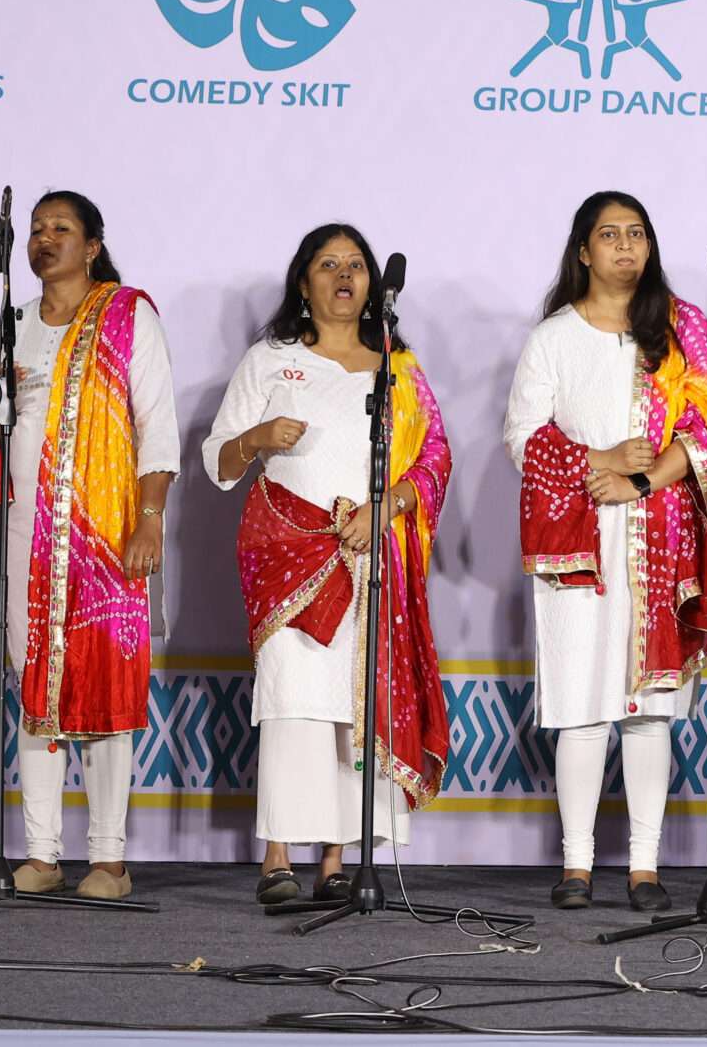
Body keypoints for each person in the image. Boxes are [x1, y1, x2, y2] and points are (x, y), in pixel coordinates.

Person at [505, 190, 707, 912]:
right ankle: (577, 865)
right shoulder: (554, 336)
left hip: (660, 537)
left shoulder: (680, 330)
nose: (626, 246)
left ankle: (645, 865)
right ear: (583, 251)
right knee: (583, 706)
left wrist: (640, 478)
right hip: (579, 540)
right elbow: (522, 437)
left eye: (637, 233)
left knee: (651, 712)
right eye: (610, 234)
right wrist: (602, 461)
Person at [204, 223, 453, 905]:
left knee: (353, 703)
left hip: (369, 555)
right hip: (287, 555)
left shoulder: (397, 367)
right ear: (303, 282)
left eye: (355, 264)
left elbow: (435, 457)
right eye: (328, 264)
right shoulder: (271, 359)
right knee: (292, 700)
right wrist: (256, 436)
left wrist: (387, 507)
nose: (344, 275)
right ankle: (277, 856)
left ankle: (336, 861)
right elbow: (218, 461)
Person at [0, 190, 177, 901]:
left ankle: (109, 859)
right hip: (28, 536)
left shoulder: (128, 315)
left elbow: (157, 425)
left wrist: (149, 518)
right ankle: (41, 852)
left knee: (103, 685)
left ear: (92, 246)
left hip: (106, 535)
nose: (44, 237)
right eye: (36, 228)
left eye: (61, 227)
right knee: (33, 681)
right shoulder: (15, 325)